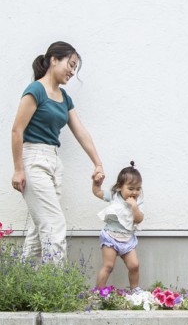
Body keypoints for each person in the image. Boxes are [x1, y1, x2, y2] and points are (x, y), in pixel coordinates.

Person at [11, 41, 105, 258]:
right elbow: (17, 130)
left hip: (54, 162)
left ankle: (25, 286)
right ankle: (55, 289)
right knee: (55, 225)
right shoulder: (36, 90)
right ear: (54, 60)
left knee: (38, 231)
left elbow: (80, 131)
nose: (72, 71)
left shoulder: (64, 98)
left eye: (75, 67)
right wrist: (18, 169)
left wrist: (97, 163)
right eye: (70, 64)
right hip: (33, 159)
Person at [93, 162, 144, 289]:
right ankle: (98, 293)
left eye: (138, 189)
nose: (135, 192)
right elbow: (97, 192)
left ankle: (135, 291)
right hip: (110, 237)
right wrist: (96, 183)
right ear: (120, 187)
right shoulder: (114, 196)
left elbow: (138, 220)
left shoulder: (138, 202)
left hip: (127, 239)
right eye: (131, 189)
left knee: (134, 265)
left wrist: (134, 207)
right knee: (108, 266)